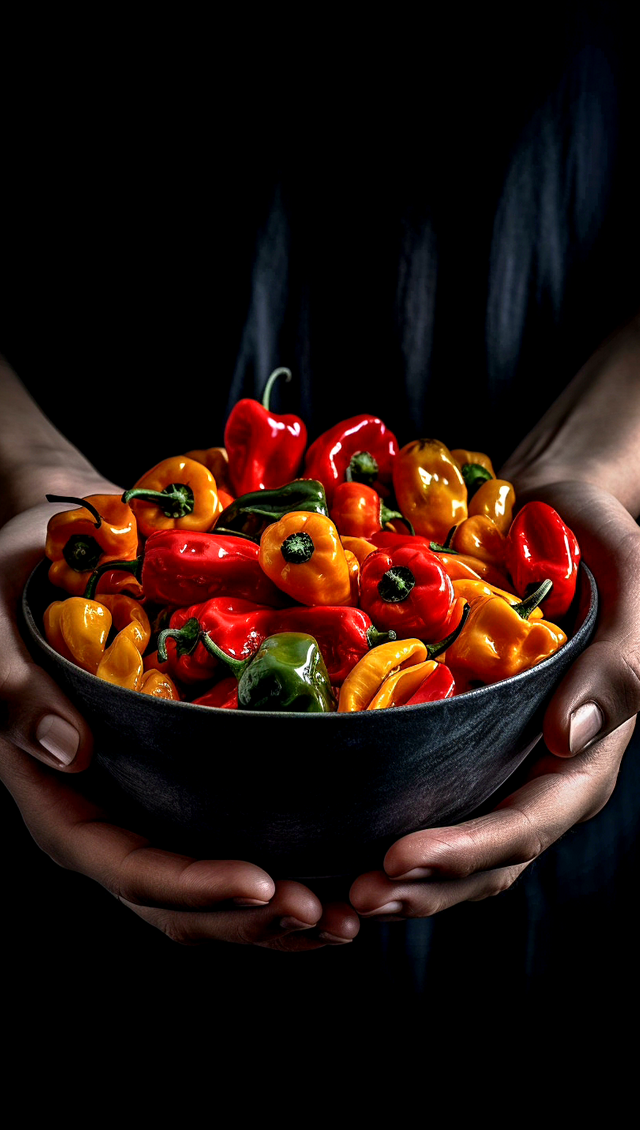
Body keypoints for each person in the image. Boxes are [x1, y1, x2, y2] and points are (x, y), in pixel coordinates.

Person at [1, 4, 639, 1009]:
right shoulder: (157, 559)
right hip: (101, 818)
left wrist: (600, 462)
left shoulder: (409, 573)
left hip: (534, 839)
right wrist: (15, 459)